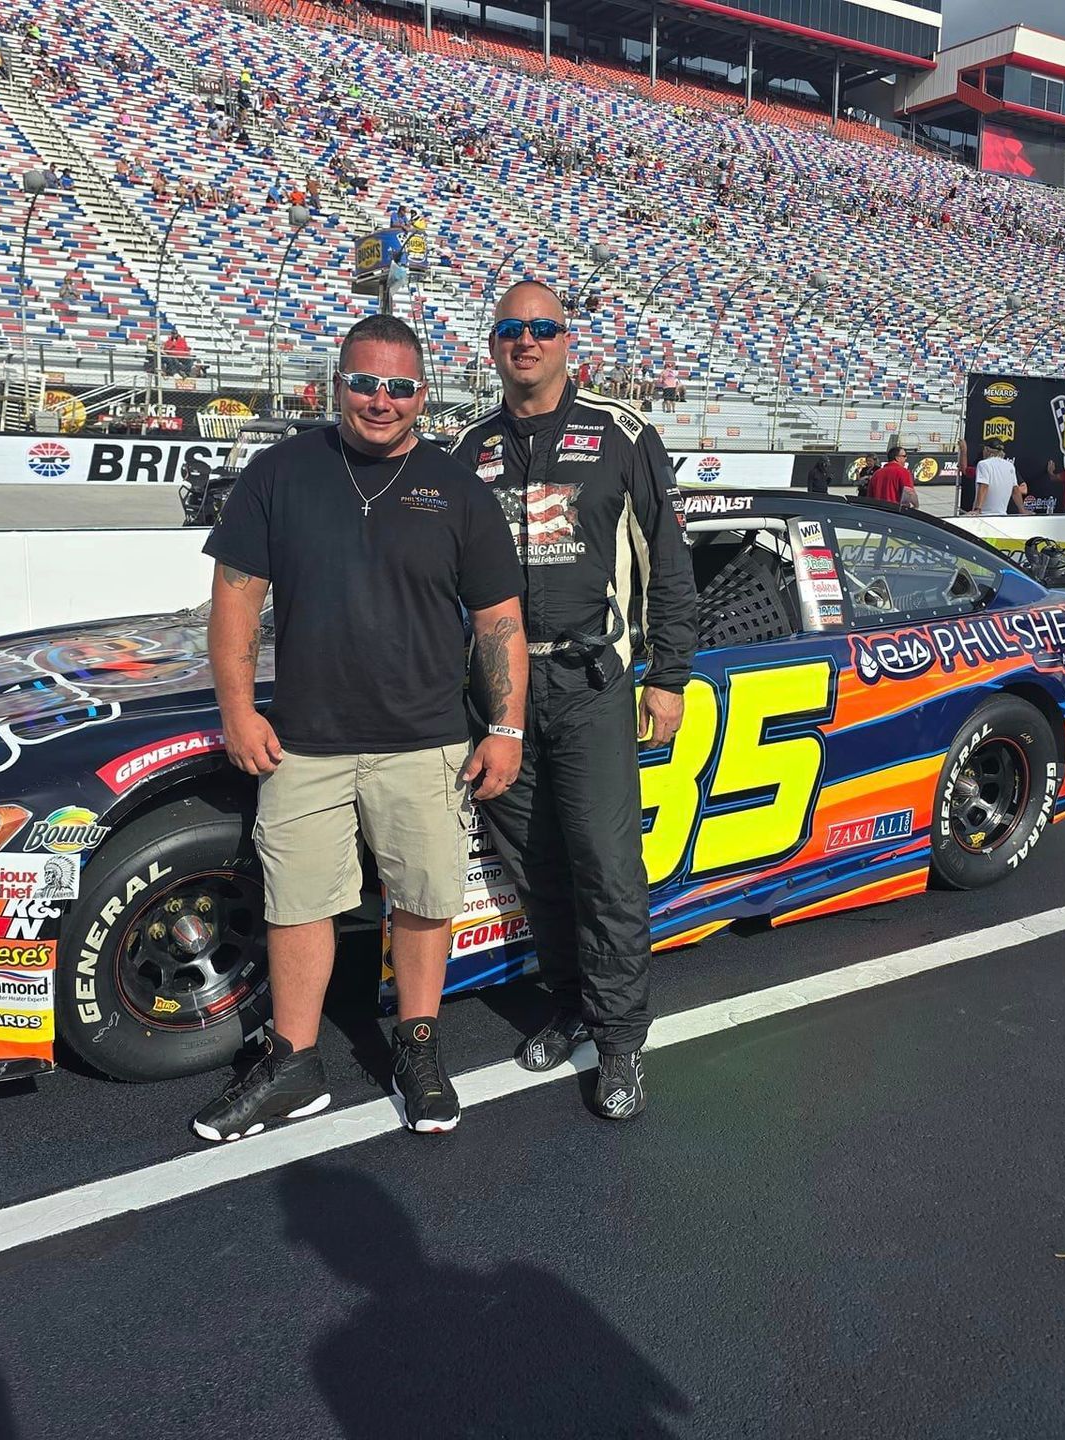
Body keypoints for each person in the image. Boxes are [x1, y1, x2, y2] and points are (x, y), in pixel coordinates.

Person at [192, 314, 527, 1142]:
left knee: (422, 900)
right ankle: (295, 1065)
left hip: (428, 740)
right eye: (365, 383)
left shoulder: (457, 489)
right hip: (304, 740)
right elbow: (234, 604)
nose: (382, 401)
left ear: (424, 395)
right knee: (298, 904)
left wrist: (508, 728)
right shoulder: (278, 473)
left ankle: (418, 1047)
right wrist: (237, 709)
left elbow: (499, 621)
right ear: (334, 384)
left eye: (401, 387)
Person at [451, 280, 697, 1121]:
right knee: (536, 867)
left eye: (543, 328)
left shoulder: (624, 434)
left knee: (605, 867)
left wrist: (669, 675)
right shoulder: (466, 447)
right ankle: (569, 1004)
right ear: (494, 347)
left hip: (594, 682)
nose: (527, 342)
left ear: (567, 342)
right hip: (500, 692)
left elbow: (670, 562)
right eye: (512, 330)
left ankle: (622, 1037)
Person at [969, 438, 1023, 516]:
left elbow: (984, 486)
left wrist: (978, 509)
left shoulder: (983, 464)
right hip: (1002, 515)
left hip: (984, 515)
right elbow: (1015, 490)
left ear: (987, 449)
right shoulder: (1010, 466)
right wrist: (1022, 510)